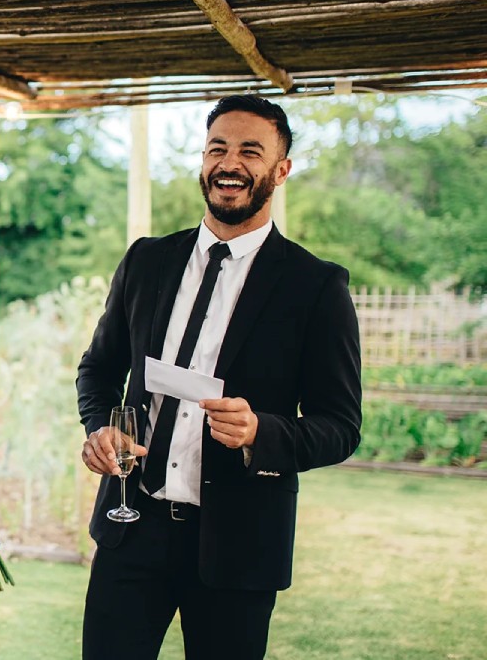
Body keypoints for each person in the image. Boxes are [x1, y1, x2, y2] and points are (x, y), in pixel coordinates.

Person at [77, 95, 363, 659]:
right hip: (131, 527)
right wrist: (99, 427)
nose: (229, 163)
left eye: (250, 152)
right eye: (217, 148)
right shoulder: (146, 260)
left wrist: (263, 432)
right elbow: (99, 368)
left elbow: (340, 426)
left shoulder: (316, 286)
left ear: (281, 170)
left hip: (241, 546)